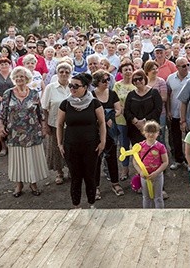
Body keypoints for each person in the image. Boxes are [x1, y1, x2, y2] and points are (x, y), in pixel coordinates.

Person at [0, 66, 48, 198]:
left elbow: (40, 112)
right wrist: (1, 126)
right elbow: (1, 112)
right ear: (14, 78)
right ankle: (18, 185)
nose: (19, 79)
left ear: (27, 79)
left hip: (32, 131)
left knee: (32, 158)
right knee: (17, 159)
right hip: (15, 133)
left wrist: (43, 127)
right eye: (17, 77)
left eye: (22, 77)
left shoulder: (34, 93)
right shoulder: (8, 93)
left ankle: (33, 183)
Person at [57, 72, 106, 209]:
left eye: (76, 86)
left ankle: (91, 204)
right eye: (71, 85)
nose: (72, 88)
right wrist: (60, 143)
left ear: (85, 87)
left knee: (90, 176)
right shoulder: (65, 104)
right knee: (75, 177)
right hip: (71, 146)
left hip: (91, 146)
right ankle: (76, 205)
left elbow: (102, 123)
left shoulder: (94, 103)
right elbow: (59, 124)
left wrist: (103, 141)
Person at [91, 69, 124, 198]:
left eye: (108, 80)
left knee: (112, 158)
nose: (107, 82)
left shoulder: (112, 93)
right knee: (96, 159)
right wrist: (104, 119)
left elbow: (118, 109)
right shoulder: (91, 95)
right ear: (97, 82)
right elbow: (91, 112)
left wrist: (111, 116)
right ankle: (96, 187)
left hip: (111, 131)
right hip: (96, 132)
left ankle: (115, 183)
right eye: (104, 80)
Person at [41, 62, 71, 185]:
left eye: (67, 72)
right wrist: (45, 124)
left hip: (71, 124)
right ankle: (59, 172)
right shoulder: (50, 87)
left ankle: (71, 169)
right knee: (56, 149)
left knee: (71, 148)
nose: (64, 74)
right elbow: (44, 107)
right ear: (57, 73)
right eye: (61, 72)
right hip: (54, 123)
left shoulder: (74, 86)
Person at [134, 121, 169, 209]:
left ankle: (160, 217)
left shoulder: (160, 147)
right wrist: (140, 172)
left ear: (158, 133)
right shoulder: (139, 146)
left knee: (158, 197)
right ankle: (146, 217)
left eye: (153, 132)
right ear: (144, 132)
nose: (150, 134)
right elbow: (135, 161)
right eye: (148, 132)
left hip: (157, 176)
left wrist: (156, 173)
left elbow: (165, 162)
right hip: (144, 176)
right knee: (146, 198)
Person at [166, 57, 190, 170]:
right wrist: (168, 110)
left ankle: (189, 161)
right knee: (175, 137)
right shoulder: (170, 78)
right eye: (183, 66)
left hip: (189, 114)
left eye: (188, 65)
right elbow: (168, 95)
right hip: (174, 113)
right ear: (176, 67)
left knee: (189, 138)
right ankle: (178, 160)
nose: (186, 67)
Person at [124, 69, 163, 145]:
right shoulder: (130, 95)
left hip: (151, 129)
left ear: (145, 78)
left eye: (140, 78)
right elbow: (127, 111)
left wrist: (144, 121)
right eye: (135, 79)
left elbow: (158, 109)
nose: (138, 81)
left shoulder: (154, 93)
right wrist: (136, 122)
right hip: (135, 129)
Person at [113, 59, 136, 181]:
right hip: (121, 120)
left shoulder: (136, 84)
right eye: (125, 70)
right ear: (121, 72)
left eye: (129, 69)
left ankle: (138, 168)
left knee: (137, 145)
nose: (127, 72)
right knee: (124, 145)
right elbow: (114, 100)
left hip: (134, 120)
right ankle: (125, 168)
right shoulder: (117, 85)